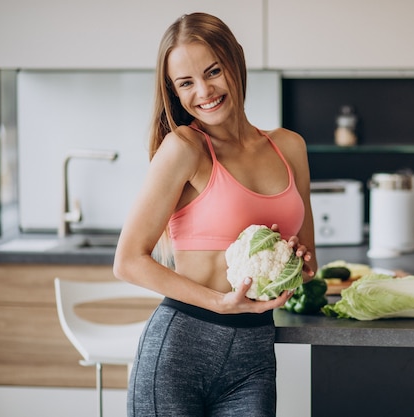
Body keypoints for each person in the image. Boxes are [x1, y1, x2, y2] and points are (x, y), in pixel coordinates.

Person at [113, 12, 317, 417]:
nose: (204, 91)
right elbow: (128, 261)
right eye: (185, 83)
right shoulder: (185, 147)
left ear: (235, 62)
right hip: (180, 351)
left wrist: (300, 262)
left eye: (213, 71)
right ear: (173, 90)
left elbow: (309, 261)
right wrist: (219, 302)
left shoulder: (289, 146)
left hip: (254, 356)